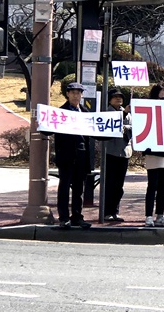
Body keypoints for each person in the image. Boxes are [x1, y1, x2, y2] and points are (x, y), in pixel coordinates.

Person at [49, 82, 93, 229]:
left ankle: (77, 217)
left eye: (79, 92)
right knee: (64, 187)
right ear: (67, 94)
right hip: (66, 155)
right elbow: (48, 130)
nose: (76, 95)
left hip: (81, 155)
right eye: (73, 92)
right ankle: (63, 218)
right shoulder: (60, 112)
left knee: (79, 189)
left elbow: (94, 134)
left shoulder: (86, 112)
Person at [144, 82, 164, 227]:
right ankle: (148, 216)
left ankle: (160, 215)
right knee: (153, 185)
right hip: (153, 151)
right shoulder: (149, 106)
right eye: (163, 91)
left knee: (163, 185)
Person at [103, 88, 132, 222]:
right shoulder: (107, 112)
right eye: (115, 97)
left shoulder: (126, 113)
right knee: (109, 184)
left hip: (124, 153)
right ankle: (106, 211)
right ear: (110, 99)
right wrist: (125, 117)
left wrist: (126, 127)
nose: (118, 99)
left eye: (120, 97)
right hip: (111, 152)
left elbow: (132, 128)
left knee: (119, 186)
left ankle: (115, 211)